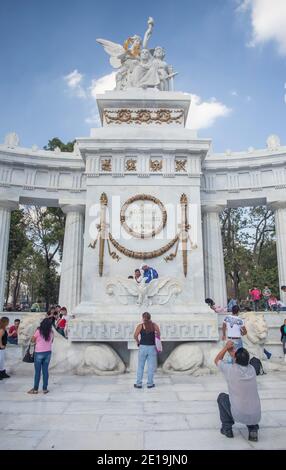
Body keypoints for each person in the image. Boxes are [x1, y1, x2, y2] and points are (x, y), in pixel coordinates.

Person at [215, 341, 261, 441]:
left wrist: (226, 348)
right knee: (249, 400)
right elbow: (243, 361)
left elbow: (217, 360)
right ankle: (253, 430)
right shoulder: (252, 369)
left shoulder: (230, 370)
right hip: (255, 416)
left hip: (238, 414)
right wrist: (234, 353)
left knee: (222, 397)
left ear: (235, 359)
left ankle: (227, 429)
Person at [133, 312, 160, 389]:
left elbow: (135, 336)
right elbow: (158, 335)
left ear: (143, 318)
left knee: (140, 366)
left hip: (143, 347)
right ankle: (150, 384)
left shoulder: (140, 326)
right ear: (150, 317)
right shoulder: (154, 325)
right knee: (151, 367)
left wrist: (138, 342)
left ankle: (138, 384)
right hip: (152, 347)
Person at [28, 317, 54, 394]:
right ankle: (45, 389)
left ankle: (35, 389)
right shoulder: (51, 332)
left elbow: (32, 340)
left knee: (37, 372)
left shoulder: (38, 331)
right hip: (48, 352)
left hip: (39, 352)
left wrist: (37, 340)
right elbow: (51, 341)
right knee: (45, 371)